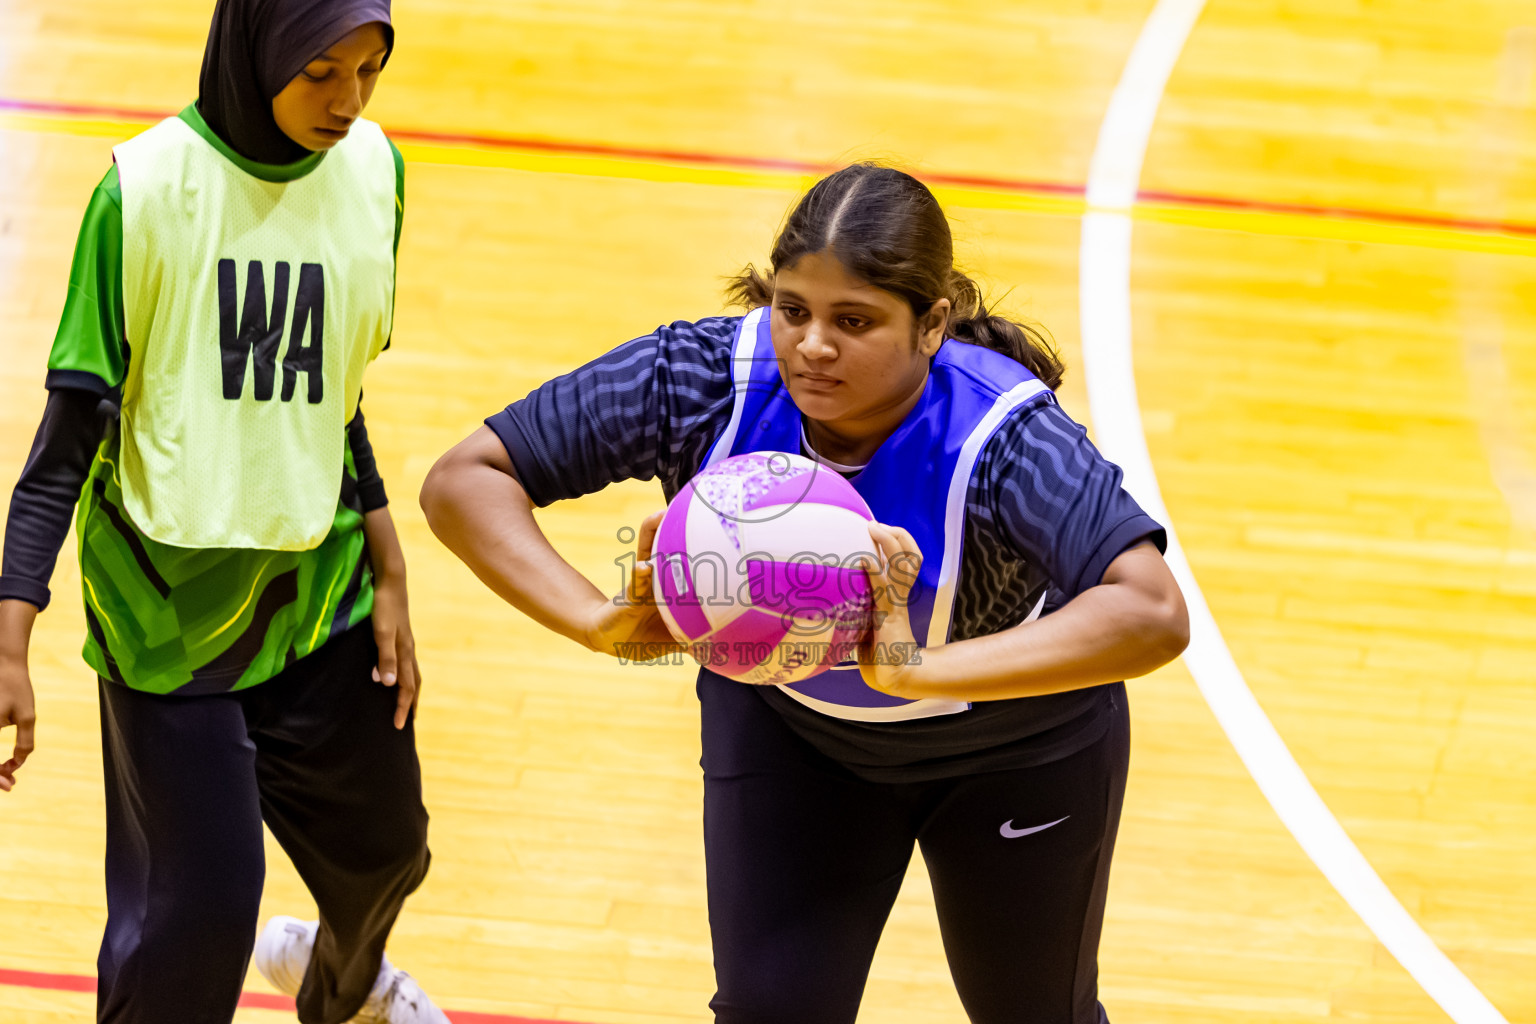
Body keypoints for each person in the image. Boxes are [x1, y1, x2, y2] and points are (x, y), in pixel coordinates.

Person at [419, 162, 1191, 1023]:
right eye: (793, 309)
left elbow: (1152, 610)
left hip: (1016, 753)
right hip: (793, 736)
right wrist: (600, 624)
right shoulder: (707, 378)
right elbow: (465, 478)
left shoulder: (1001, 435)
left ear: (933, 323)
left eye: (852, 321)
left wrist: (915, 670)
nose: (812, 346)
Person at [0, 2, 448, 1022]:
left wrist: (389, 567)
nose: (349, 101)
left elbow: (335, 399)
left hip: (315, 589)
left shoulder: (374, 175)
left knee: (387, 851)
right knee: (195, 920)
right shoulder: (145, 191)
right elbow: (64, 441)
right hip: (166, 614)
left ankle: (345, 995)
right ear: (259, 51)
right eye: (322, 72)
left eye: (371, 69)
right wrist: (12, 635)